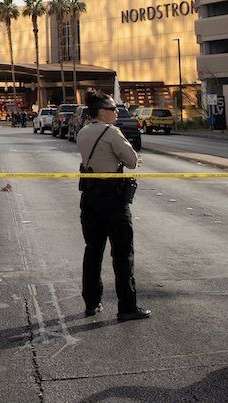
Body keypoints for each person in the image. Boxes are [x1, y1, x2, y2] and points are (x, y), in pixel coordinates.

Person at [76, 89, 150, 322]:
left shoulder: (83, 131)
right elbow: (131, 161)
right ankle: (127, 306)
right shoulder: (111, 132)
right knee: (122, 252)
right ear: (101, 112)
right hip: (112, 197)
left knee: (93, 250)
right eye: (112, 109)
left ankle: (91, 301)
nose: (116, 112)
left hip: (89, 196)